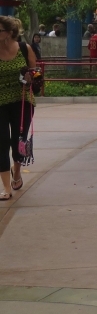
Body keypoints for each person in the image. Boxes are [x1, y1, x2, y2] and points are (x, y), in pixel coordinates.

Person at [0, 17, 36, 199]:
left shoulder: (24, 49)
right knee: (1, 142)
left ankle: (17, 170)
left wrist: (31, 77)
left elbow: (35, 71)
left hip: (22, 101)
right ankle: (6, 187)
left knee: (18, 141)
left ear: (8, 33)